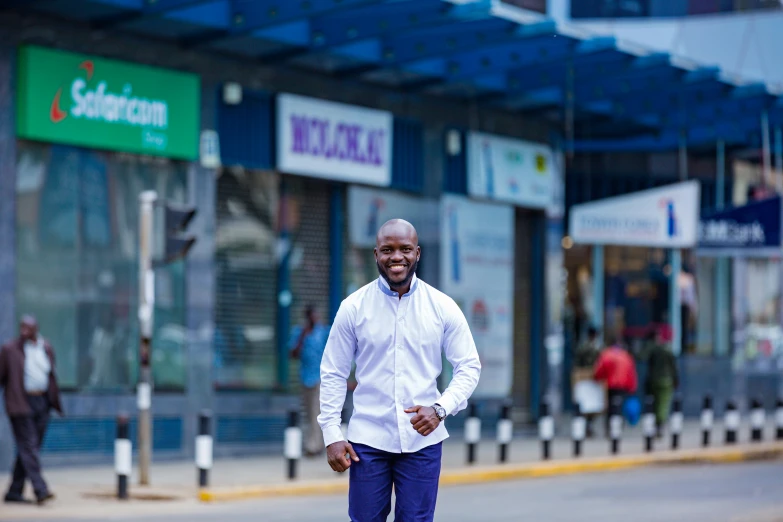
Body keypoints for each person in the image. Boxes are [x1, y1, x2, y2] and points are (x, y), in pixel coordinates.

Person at [319, 219, 481, 522]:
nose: (397, 257)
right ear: (375, 254)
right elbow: (333, 372)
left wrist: (440, 409)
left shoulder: (442, 307)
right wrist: (331, 432)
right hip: (367, 441)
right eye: (387, 249)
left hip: (423, 440)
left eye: (405, 249)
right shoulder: (353, 308)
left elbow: (469, 367)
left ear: (417, 253)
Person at [0, 315, 62, 505]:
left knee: (30, 449)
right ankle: (40, 490)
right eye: (22, 328)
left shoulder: (46, 347)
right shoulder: (10, 349)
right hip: (20, 402)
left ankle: (14, 491)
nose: (24, 331)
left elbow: (51, 373)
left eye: (28, 328)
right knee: (28, 446)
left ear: (36, 328)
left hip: (42, 402)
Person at [289, 304, 330, 457]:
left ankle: (315, 446)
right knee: (307, 412)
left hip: (320, 378)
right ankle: (309, 444)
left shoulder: (324, 332)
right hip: (305, 377)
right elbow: (292, 353)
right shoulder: (299, 332)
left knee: (316, 412)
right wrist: (302, 336)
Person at [593, 335, 637, 437]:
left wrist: (597, 378)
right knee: (619, 406)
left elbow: (600, 369)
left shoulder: (606, 354)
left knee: (611, 407)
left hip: (611, 384)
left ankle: (610, 428)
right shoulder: (625, 355)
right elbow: (631, 372)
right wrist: (632, 387)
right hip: (622, 385)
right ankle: (617, 427)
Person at [644, 325, 679, 437]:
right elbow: (674, 367)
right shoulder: (667, 350)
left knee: (655, 403)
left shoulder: (652, 350)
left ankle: (656, 424)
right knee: (663, 404)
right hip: (665, 380)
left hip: (654, 380)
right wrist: (675, 380)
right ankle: (659, 425)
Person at [573, 326, 602, 437]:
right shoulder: (594, 348)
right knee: (588, 403)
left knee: (590, 403)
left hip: (589, 377)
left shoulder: (586, 347)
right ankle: (586, 426)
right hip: (589, 377)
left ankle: (586, 426)